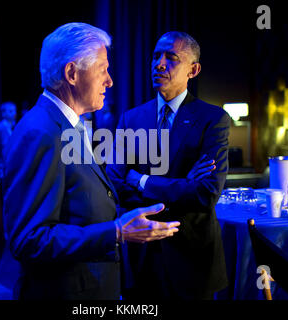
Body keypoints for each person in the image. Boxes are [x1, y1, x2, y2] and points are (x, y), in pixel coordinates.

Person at [2, 23, 180, 300]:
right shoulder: (41, 132)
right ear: (72, 73)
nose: (109, 81)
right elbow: (29, 240)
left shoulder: (67, 125)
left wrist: (124, 219)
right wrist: (116, 232)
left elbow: (82, 205)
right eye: (102, 70)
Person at [107, 31, 231, 300]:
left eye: (171, 58)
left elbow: (206, 194)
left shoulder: (214, 119)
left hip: (192, 262)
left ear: (193, 70)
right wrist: (185, 184)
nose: (159, 64)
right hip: (141, 259)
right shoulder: (131, 118)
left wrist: (140, 180)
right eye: (155, 56)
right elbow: (115, 183)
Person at [0, 101, 17, 176]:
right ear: (3, 113)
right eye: (11, 111)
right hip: (2, 168)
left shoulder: (15, 127)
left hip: (12, 166)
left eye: (14, 111)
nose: (14, 113)